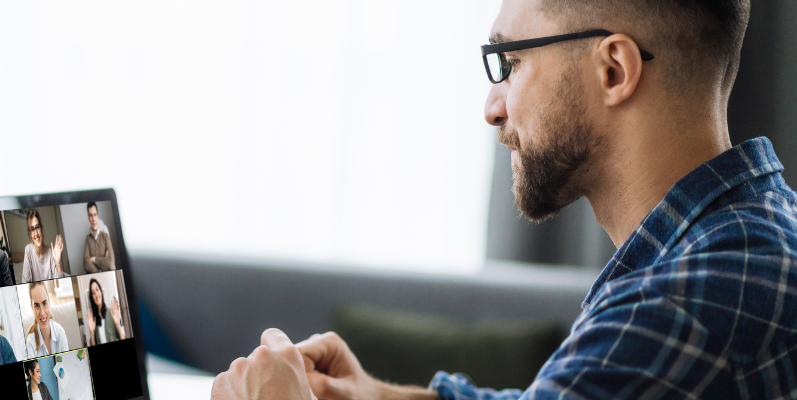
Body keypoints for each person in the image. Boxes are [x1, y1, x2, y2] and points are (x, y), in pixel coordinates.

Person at [211, 0, 797, 399]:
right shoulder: (748, 237)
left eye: (510, 63)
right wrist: (379, 395)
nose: (492, 107)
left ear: (614, 70)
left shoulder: (683, 304)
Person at [26, 281, 69, 357]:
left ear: (49, 303)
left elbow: (67, 364)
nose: (42, 313)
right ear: (32, 308)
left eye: (44, 303)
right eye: (37, 306)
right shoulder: (31, 342)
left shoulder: (60, 333)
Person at [22, 209, 65, 283]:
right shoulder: (28, 250)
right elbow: (25, 282)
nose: (36, 234)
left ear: (41, 229)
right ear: (29, 232)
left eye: (37, 227)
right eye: (32, 229)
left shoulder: (50, 252)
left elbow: (60, 282)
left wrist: (57, 263)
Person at [86, 278, 124, 345]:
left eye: (97, 290)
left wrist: (118, 324)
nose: (96, 295)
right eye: (93, 293)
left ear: (101, 291)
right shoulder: (93, 320)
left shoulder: (112, 313)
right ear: (92, 297)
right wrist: (91, 333)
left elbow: (122, 338)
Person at [83, 203, 116, 273]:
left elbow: (110, 264)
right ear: (88, 218)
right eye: (91, 215)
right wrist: (100, 269)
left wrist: (93, 259)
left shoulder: (105, 236)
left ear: (98, 217)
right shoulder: (88, 239)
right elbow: (86, 264)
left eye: (95, 215)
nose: (93, 219)